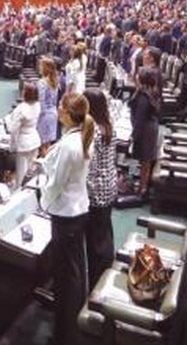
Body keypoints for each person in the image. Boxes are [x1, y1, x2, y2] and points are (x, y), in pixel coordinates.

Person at [40, 92, 94, 345]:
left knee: (66, 277)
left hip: (65, 213)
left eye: (61, 108)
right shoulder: (82, 135)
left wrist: (42, 198)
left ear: (66, 114)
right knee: (74, 271)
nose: (58, 111)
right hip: (78, 209)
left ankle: (66, 334)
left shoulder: (69, 145)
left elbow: (56, 185)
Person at [84, 87, 117, 288]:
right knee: (105, 231)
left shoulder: (94, 131)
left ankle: (98, 281)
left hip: (96, 190)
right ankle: (106, 268)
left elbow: (91, 167)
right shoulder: (108, 125)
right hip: (109, 185)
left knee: (95, 240)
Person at [129, 68, 160, 197]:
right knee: (144, 161)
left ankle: (143, 189)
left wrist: (133, 136)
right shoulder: (148, 92)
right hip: (149, 128)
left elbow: (140, 119)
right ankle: (142, 185)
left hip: (146, 130)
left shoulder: (144, 96)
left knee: (145, 161)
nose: (136, 76)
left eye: (138, 75)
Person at [4, 82, 42, 185]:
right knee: (31, 172)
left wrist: (12, 147)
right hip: (35, 140)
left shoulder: (21, 109)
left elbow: (13, 129)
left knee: (21, 175)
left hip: (24, 143)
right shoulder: (37, 105)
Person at [37, 57, 62, 154]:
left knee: (42, 146)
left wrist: (37, 117)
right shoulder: (54, 81)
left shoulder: (42, 82)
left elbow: (41, 102)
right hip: (53, 114)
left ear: (45, 68)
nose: (39, 67)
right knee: (47, 145)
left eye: (40, 66)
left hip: (44, 116)